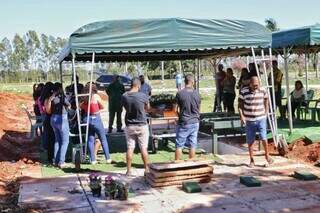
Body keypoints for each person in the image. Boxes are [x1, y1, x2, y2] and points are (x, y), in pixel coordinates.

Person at [238, 76, 274, 168]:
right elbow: (240, 106)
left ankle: (267, 155)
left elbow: (266, 99)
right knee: (250, 141)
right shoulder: (243, 92)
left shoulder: (263, 90)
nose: (255, 87)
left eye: (257, 85)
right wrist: (242, 117)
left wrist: (266, 111)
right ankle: (252, 160)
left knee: (264, 138)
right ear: (250, 84)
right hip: (249, 120)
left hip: (261, 118)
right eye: (254, 85)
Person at [121, 77, 150, 176]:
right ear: (138, 85)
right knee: (143, 148)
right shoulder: (143, 95)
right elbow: (147, 108)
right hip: (142, 124)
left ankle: (128, 171)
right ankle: (146, 170)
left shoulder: (124, 96)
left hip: (129, 125)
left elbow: (125, 107)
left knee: (130, 148)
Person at [80, 84, 112, 164]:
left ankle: (92, 159)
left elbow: (81, 106)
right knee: (103, 139)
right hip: (96, 118)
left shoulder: (84, 97)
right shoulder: (96, 96)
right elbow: (103, 106)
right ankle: (108, 158)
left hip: (87, 118)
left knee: (90, 139)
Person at [175, 74, 201, 160]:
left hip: (184, 122)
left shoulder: (179, 94)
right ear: (192, 81)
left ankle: (177, 164)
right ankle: (191, 164)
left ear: (184, 82)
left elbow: (176, 109)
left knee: (179, 145)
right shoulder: (197, 94)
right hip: (195, 122)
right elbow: (199, 109)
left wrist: (180, 117)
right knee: (192, 145)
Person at [48, 83, 70, 168]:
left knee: (57, 141)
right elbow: (68, 104)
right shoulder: (61, 97)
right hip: (62, 119)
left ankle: (55, 160)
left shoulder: (51, 98)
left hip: (53, 118)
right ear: (60, 88)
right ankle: (61, 161)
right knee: (65, 141)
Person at [39, 82, 55, 164]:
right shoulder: (47, 99)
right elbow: (49, 111)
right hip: (49, 119)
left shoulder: (44, 97)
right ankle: (51, 157)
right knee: (51, 139)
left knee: (50, 139)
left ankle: (50, 157)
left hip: (47, 119)